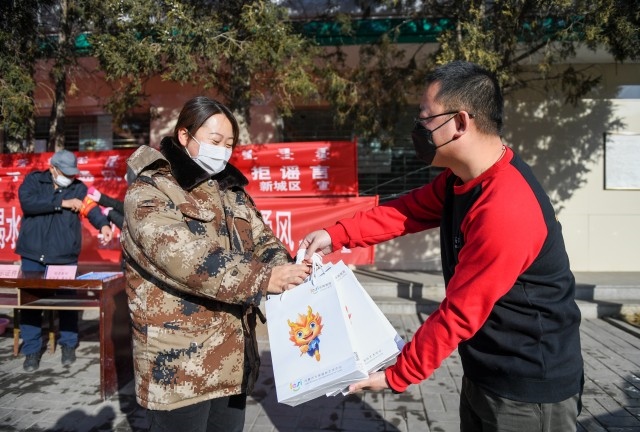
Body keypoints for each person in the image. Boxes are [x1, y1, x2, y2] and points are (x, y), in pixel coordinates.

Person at [300, 61, 583, 432]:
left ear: (460, 122)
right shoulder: (460, 180)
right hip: (485, 372)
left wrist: (399, 373)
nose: (418, 128)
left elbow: (461, 310)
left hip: (528, 388)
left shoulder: (505, 206)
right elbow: (406, 212)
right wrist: (335, 235)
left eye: (425, 117)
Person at [120, 96, 310, 432]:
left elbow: (263, 241)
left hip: (232, 360)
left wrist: (290, 271)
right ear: (184, 135)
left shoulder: (231, 192)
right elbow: (186, 258)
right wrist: (264, 278)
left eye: (229, 144)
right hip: (178, 366)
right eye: (215, 141)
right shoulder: (151, 191)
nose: (222, 151)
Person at [16, 149, 114, 372]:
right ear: (53, 168)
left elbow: (91, 209)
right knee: (30, 304)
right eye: (66, 173)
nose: (70, 177)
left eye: (72, 173)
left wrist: (103, 225)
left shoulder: (79, 188)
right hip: (32, 253)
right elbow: (28, 203)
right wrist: (62, 202)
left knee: (68, 304)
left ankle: (68, 345)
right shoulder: (34, 180)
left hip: (63, 256)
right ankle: (31, 350)